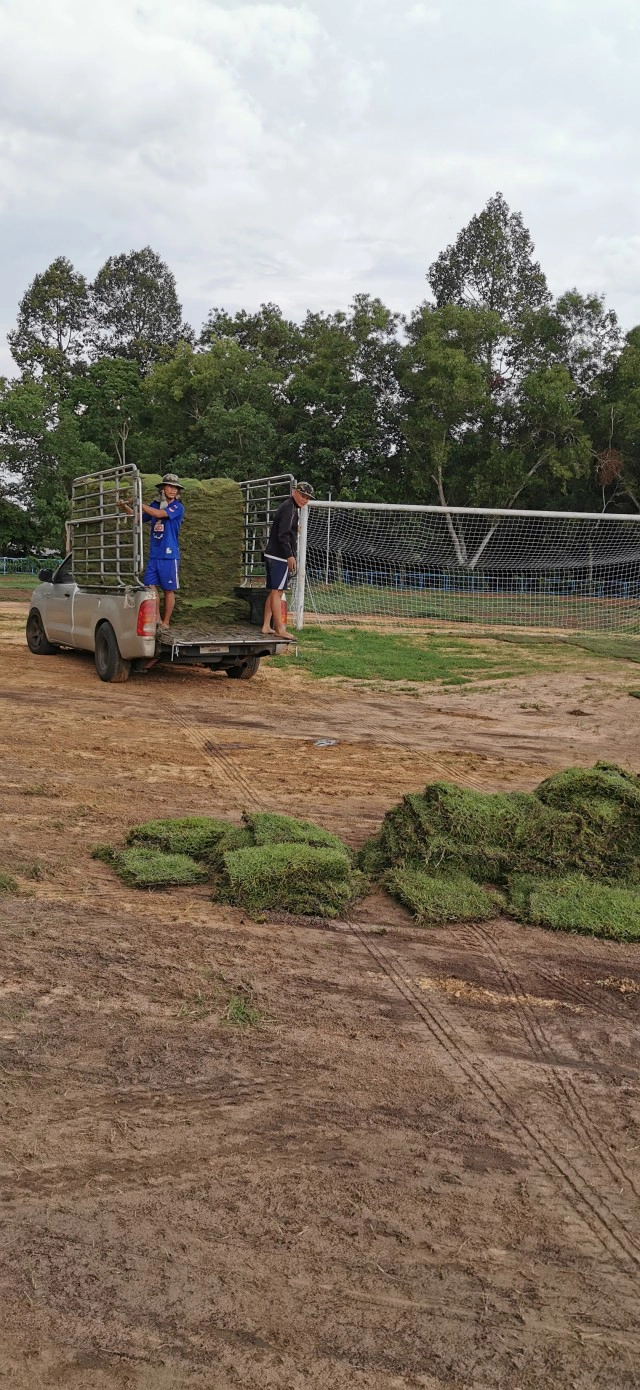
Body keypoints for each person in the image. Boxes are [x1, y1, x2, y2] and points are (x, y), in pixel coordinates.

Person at [118, 472, 184, 632]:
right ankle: (157, 619)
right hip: (155, 554)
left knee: (168, 590)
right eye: (169, 487)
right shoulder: (155, 505)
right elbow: (138, 517)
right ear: (162, 488)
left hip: (169, 555)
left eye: (175, 488)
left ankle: (166, 622)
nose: (172, 490)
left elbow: (159, 514)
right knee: (150, 586)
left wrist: (139, 502)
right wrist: (124, 506)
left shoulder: (177, 507)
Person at [262, 481, 314, 638]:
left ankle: (266, 625)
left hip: (273, 554)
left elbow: (284, 528)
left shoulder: (290, 508)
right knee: (277, 592)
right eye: (303, 495)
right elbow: (282, 534)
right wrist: (289, 555)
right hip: (279, 556)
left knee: (274, 591)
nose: (304, 500)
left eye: (307, 498)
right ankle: (279, 629)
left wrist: (294, 529)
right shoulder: (289, 508)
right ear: (294, 492)